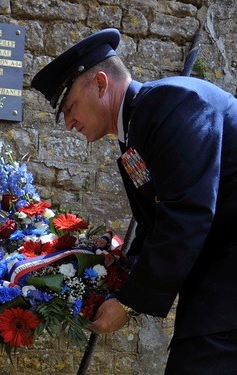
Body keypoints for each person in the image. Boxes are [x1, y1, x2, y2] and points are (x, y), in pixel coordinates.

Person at [31, 28, 237, 374]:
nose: (68, 124)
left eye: (69, 108)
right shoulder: (137, 130)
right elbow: (157, 221)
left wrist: (128, 302)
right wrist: (119, 274)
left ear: (100, 84)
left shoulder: (170, 103)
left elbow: (187, 212)